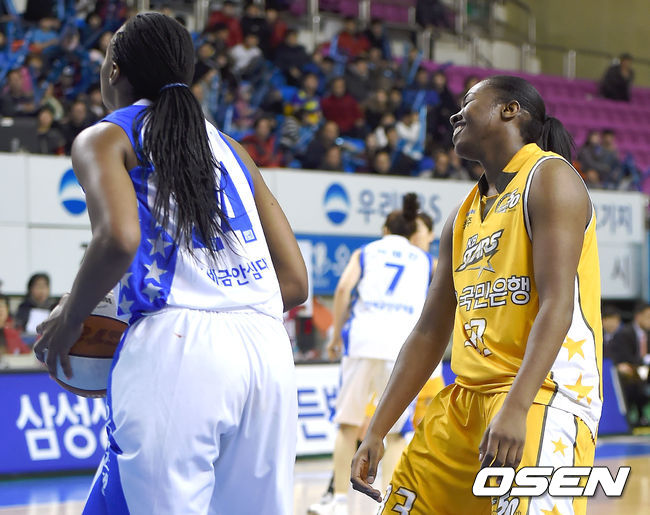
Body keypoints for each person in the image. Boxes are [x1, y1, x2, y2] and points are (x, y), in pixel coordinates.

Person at [33, 13, 307, 515]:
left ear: (113, 70)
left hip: (177, 349)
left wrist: (72, 319)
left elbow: (118, 239)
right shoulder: (232, 149)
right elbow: (294, 281)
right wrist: (222, 298)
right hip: (268, 350)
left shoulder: (106, 137)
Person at [351, 75, 602, 515]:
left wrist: (517, 407)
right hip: (465, 400)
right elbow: (429, 331)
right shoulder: (461, 216)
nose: (454, 115)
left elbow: (558, 304)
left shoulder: (550, 177)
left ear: (510, 110)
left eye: (468, 102)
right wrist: (377, 428)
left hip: (541, 393)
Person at [309, 194, 434, 515]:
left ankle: (338, 501)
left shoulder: (366, 251)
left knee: (347, 425)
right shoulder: (425, 260)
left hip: (362, 341)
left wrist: (336, 335)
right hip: (401, 347)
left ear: (384, 229)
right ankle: (388, 501)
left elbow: (342, 289)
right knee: (397, 432)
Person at [607, 302, 650, 426]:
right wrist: (644, 360)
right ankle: (635, 417)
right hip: (631, 373)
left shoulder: (648, 334)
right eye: (648, 317)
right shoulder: (624, 333)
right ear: (638, 316)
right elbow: (625, 359)